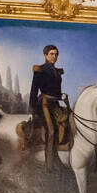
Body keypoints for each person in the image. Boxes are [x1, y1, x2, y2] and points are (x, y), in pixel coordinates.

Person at [29, 44, 66, 172]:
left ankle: (56, 160)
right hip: (43, 104)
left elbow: (55, 91)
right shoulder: (40, 69)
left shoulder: (57, 72)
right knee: (51, 132)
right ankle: (49, 167)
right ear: (45, 55)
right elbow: (34, 90)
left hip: (55, 104)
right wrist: (31, 110)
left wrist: (62, 96)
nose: (54, 57)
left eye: (56, 54)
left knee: (62, 128)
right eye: (51, 54)